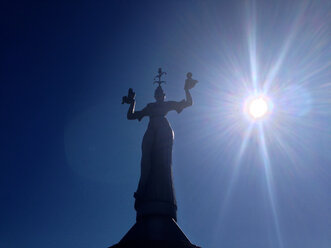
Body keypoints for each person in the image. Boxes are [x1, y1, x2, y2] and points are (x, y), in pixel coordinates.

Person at [123, 74, 196, 221]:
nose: (158, 96)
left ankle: (158, 195)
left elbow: (188, 103)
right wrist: (132, 102)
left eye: (160, 94)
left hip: (163, 131)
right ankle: (142, 190)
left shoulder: (167, 105)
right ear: (155, 95)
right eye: (156, 94)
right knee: (146, 162)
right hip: (151, 131)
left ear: (164, 95)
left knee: (163, 163)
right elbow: (130, 116)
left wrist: (186, 89)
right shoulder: (150, 107)